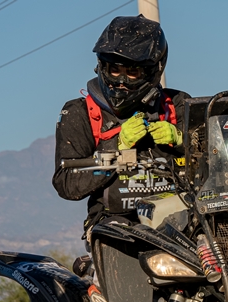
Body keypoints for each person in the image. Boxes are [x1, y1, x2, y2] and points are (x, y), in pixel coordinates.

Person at [52, 15, 190, 247]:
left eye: (132, 72)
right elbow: (66, 183)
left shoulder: (178, 105)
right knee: (117, 247)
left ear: (153, 70)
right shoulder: (79, 112)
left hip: (181, 217)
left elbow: (218, 160)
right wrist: (117, 147)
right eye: (114, 70)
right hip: (114, 224)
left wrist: (181, 139)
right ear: (101, 67)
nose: (121, 81)